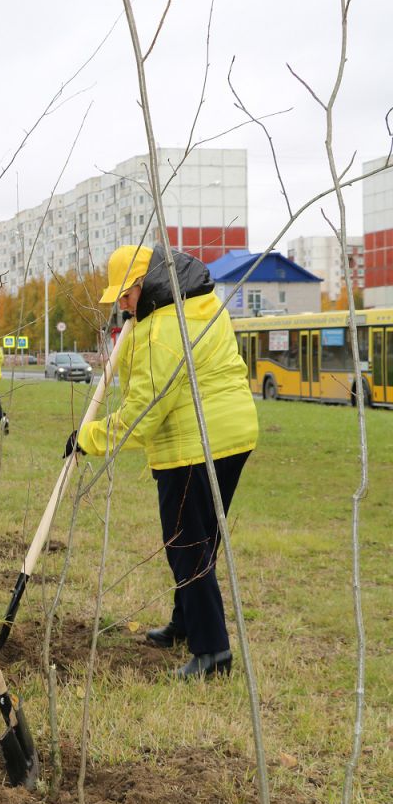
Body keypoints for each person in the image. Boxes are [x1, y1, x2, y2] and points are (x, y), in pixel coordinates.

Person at [66, 244, 258, 680]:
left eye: (125, 295)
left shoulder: (162, 331)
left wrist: (87, 438)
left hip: (193, 444)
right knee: (201, 539)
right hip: (233, 434)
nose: (121, 304)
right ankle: (186, 622)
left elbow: (142, 415)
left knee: (187, 546)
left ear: (145, 285)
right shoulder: (198, 304)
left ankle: (212, 653)